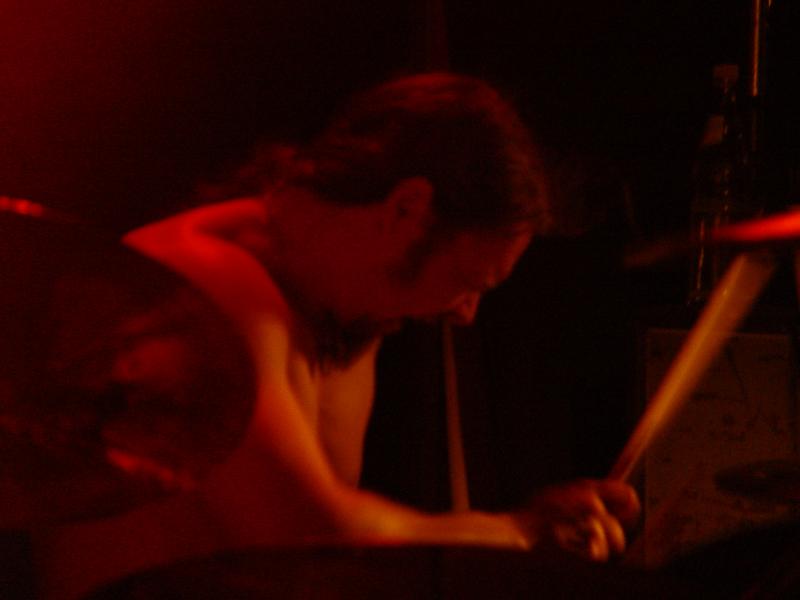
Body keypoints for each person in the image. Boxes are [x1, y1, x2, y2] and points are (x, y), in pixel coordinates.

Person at [33, 72, 640, 599]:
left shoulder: (345, 312)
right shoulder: (205, 286)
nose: (465, 315)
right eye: (465, 281)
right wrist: (520, 534)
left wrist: (533, 530)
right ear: (407, 209)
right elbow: (307, 537)